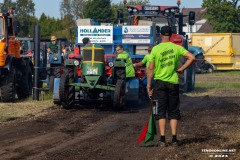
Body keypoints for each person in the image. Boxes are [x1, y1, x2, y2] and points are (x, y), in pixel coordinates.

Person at [147, 26, 195, 147]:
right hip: (173, 83)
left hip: (159, 84)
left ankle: (162, 140)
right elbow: (192, 57)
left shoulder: (155, 49)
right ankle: (174, 139)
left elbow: (151, 68)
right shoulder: (177, 47)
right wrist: (181, 69)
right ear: (171, 35)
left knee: (161, 112)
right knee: (173, 111)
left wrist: (148, 86)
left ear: (160, 35)